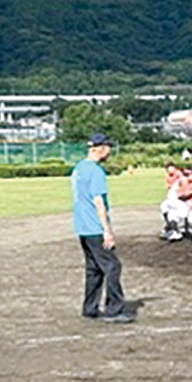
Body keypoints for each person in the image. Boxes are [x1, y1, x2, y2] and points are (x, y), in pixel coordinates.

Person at [72, 133, 134, 322]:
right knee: (113, 266)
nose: (109, 151)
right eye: (107, 147)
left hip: (82, 227)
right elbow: (98, 202)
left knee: (94, 269)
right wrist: (107, 231)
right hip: (95, 227)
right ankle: (113, 310)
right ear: (100, 148)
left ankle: (90, 308)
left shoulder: (79, 168)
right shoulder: (96, 171)